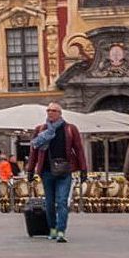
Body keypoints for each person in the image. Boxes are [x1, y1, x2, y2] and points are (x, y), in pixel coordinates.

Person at [26, 101, 87, 243]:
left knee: (61, 201)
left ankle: (61, 231)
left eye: (53, 110)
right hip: (46, 171)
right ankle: (52, 228)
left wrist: (83, 169)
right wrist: (30, 169)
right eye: (48, 110)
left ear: (60, 113)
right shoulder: (41, 130)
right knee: (49, 202)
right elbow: (34, 151)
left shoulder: (70, 129)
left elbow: (79, 149)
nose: (50, 113)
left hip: (65, 171)